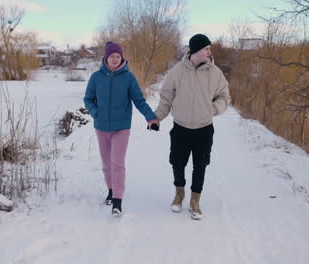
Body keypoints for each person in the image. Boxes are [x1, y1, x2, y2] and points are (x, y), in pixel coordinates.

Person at [154, 34, 231, 220]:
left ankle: (195, 200)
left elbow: (224, 97)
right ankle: (179, 193)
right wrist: (156, 118)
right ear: (196, 50)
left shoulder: (215, 73)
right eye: (207, 49)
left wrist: (213, 109)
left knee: (200, 165)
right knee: (177, 163)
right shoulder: (178, 71)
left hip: (204, 128)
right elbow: (166, 98)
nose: (209, 52)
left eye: (209, 49)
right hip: (181, 127)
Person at [84, 42, 159, 217]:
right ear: (106, 58)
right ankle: (110, 191)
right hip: (101, 127)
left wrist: (151, 117)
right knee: (106, 163)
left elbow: (139, 101)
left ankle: (117, 201)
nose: (115, 59)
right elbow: (88, 99)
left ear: (122, 57)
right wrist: (96, 113)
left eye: (118, 56)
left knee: (117, 163)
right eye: (112, 56)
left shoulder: (129, 78)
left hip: (121, 127)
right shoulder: (96, 77)